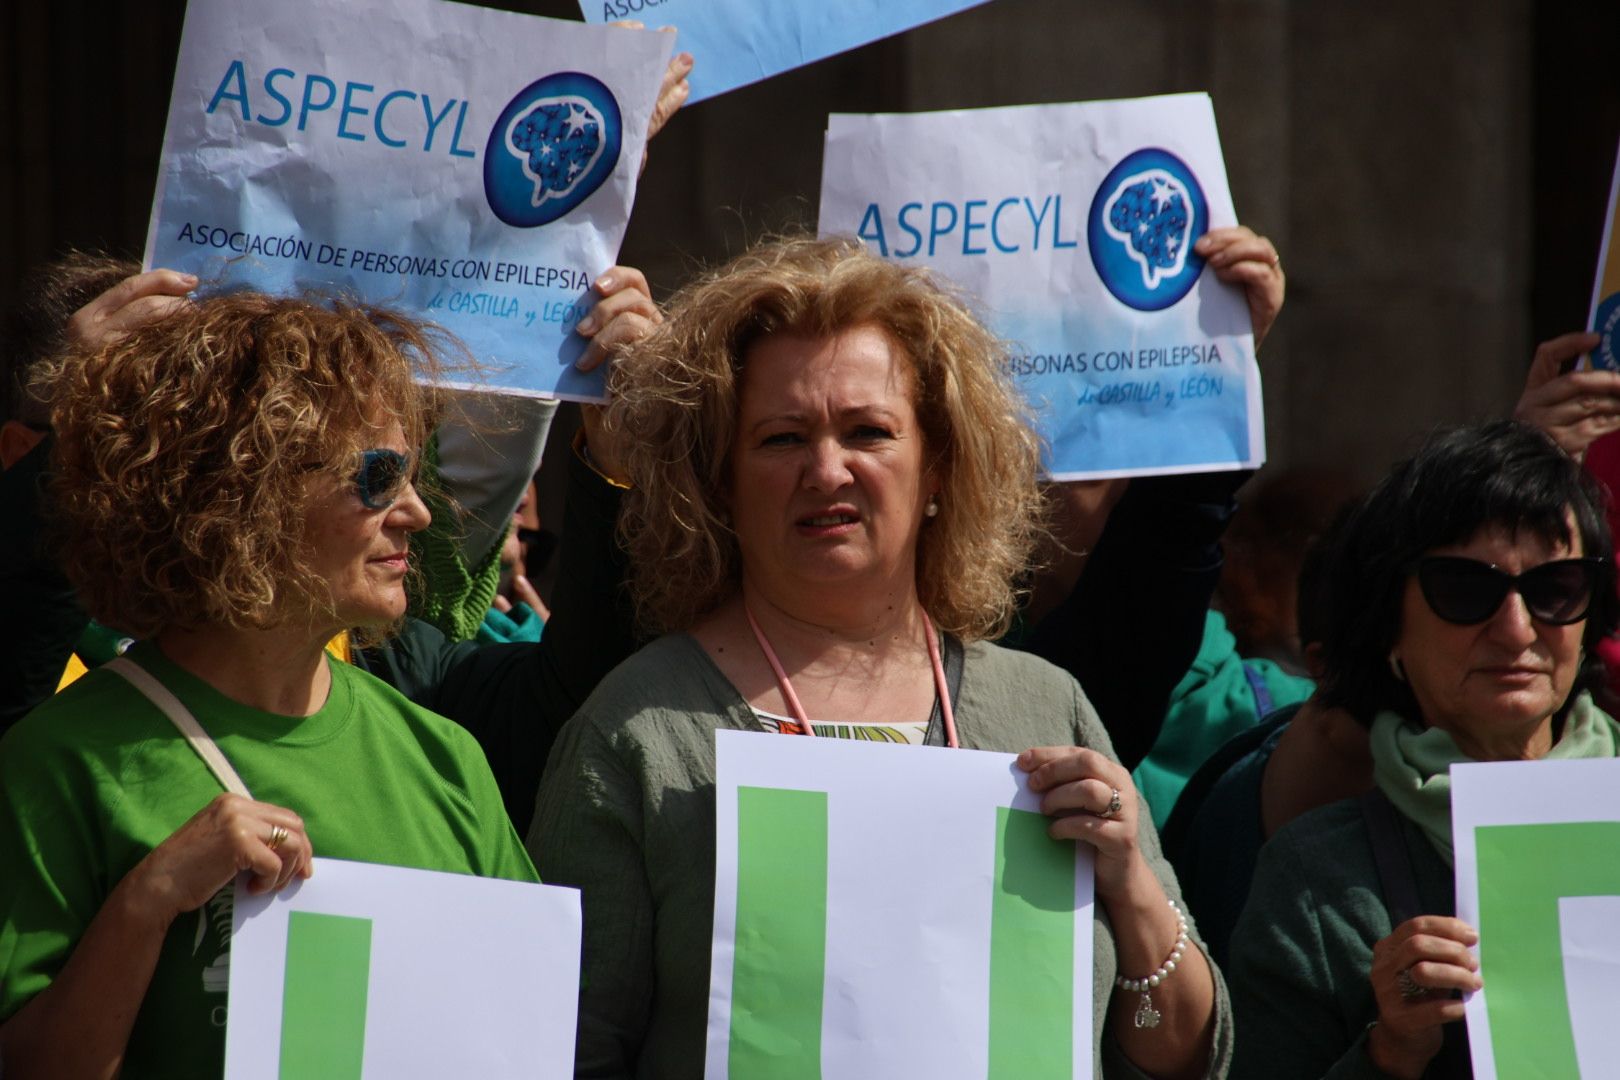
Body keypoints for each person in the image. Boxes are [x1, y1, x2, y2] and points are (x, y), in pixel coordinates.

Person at [530, 236, 1231, 1079]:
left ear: (938, 465)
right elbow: (565, 1050)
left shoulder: (1046, 709)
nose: (828, 470)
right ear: (720, 479)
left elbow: (1189, 1057)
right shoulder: (638, 731)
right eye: (783, 439)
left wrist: (1133, 890)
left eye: (868, 431)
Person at [0, 293, 540, 1080]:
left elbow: (527, 1034)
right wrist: (147, 903)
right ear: (239, 493)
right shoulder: (61, 761)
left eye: (413, 476)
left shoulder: (445, 757)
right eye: (381, 476)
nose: (418, 514)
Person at [1227, 420, 1620, 1079]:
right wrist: (1391, 1051)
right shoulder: (1319, 882)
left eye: (1556, 589)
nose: (1517, 628)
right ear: (1390, 631)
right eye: (1465, 591)